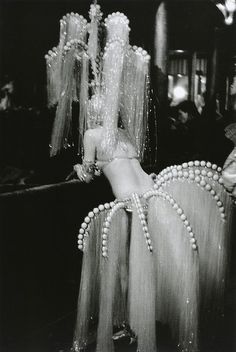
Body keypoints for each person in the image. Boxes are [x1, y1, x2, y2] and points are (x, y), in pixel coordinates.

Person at [46, 5, 233, 352]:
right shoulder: (125, 134)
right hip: (154, 192)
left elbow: (88, 175)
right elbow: (135, 166)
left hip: (129, 205)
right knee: (149, 262)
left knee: (124, 266)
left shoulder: (92, 135)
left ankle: (130, 324)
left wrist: (80, 169)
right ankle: (140, 320)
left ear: (92, 111)